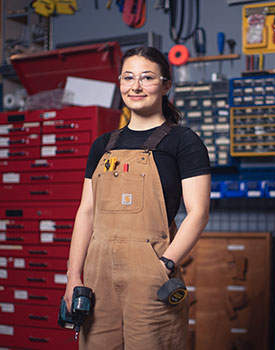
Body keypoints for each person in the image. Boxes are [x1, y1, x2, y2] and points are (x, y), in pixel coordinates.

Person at [63, 46, 211, 350]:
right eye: (128, 78)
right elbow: (86, 212)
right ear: (120, 83)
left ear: (166, 85)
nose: (136, 86)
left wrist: (164, 264)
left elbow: (198, 213)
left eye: (147, 78)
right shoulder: (103, 144)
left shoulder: (183, 141)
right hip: (97, 276)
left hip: (150, 275)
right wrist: (73, 275)